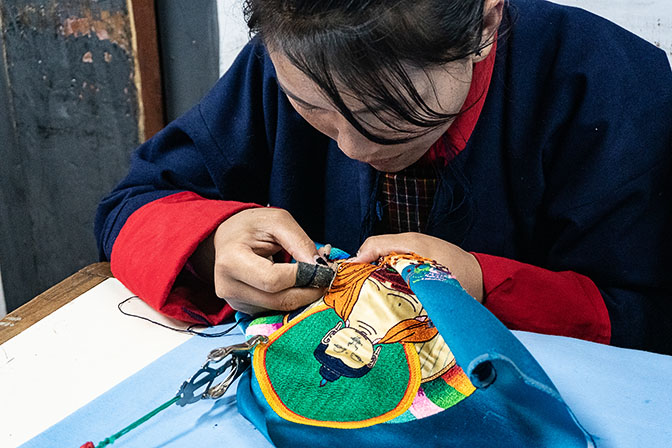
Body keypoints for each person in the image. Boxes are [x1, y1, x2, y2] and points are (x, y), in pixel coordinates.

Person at [94, 0, 672, 354]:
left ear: (484, 25)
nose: (351, 146)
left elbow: (649, 321)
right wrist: (212, 241)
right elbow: (135, 204)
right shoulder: (286, 62)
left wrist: (484, 287)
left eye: (385, 114)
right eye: (312, 108)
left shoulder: (618, 91)